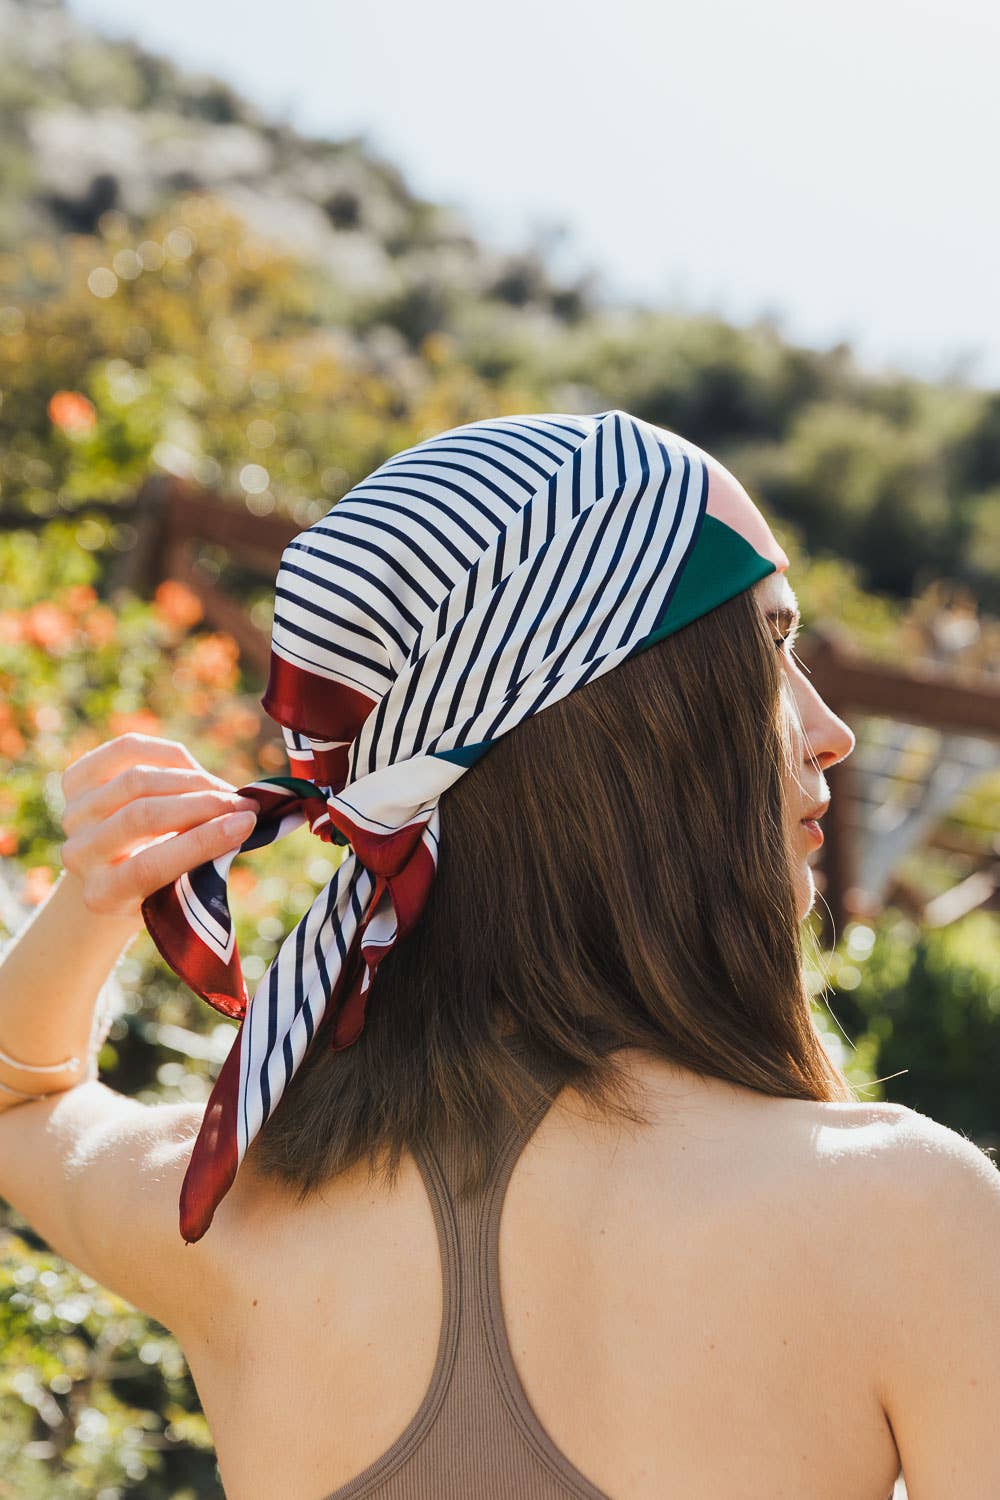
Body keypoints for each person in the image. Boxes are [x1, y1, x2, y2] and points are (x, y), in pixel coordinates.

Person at [1, 409, 998, 1500]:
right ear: (624, 719)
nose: (825, 725)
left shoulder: (238, 1215)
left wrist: (94, 899)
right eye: (769, 644)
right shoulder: (905, 1219)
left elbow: (19, 1106)